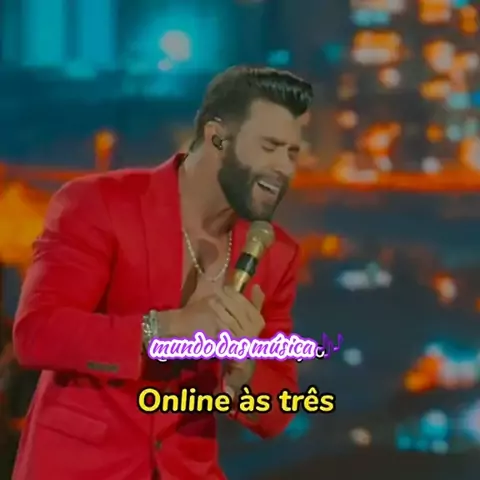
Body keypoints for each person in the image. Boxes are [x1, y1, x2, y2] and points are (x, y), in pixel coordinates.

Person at [12, 66, 313, 480]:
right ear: (217, 138)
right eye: (270, 147)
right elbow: (38, 334)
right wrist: (167, 328)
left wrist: (245, 374)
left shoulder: (276, 255)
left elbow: (277, 412)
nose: (284, 168)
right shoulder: (98, 203)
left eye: (292, 153)